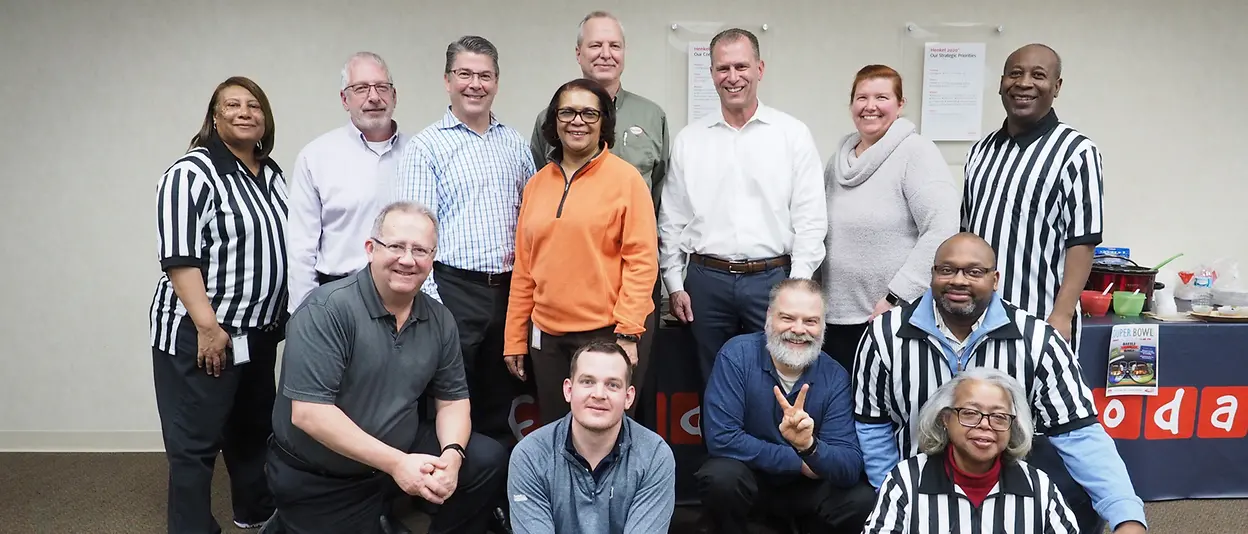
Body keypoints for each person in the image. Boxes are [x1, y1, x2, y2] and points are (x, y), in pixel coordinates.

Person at [853, 233, 1146, 534]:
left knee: (1077, 500)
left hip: (1008, 492)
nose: (959, 280)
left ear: (995, 279)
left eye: (974, 272)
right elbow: (872, 425)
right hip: (917, 485)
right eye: (947, 270)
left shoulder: (1037, 340)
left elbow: (1080, 433)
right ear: (933, 275)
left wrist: (1126, 515)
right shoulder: (885, 335)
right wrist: (892, 493)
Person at [263, 202, 508, 534]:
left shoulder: (439, 319)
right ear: (370, 249)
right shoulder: (326, 310)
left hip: (395, 461)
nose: (408, 260)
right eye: (396, 246)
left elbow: (452, 401)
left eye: (420, 250)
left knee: (486, 459)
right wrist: (397, 464)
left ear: (432, 259)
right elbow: (309, 413)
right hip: (323, 478)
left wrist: (452, 456)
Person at [149, 76, 287, 533]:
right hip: (203, 332)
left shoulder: (271, 173)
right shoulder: (191, 173)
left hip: (257, 333)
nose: (245, 112)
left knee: (252, 431)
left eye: (254, 105)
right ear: (213, 116)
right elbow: (180, 259)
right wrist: (208, 326)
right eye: (232, 105)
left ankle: (255, 512)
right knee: (195, 441)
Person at [658, 28, 826, 385]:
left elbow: (811, 218)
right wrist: (674, 283)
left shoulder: (791, 134)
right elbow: (671, 219)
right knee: (711, 383)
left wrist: (798, 284)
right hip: (706, 281)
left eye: (741, 66)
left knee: (778, 381)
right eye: (723, 68)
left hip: (772, 279)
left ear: (760, 69)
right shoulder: (691, 139)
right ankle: (718, 444)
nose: (732, 77)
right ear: (712, 74)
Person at [395, 36, 535, 440]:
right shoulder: (427, 147)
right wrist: (433, 305)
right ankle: (445, 492)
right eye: (465, 74)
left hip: (508, 291)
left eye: (485, 76)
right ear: (447, 81)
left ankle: (489, 493)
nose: (475, 84)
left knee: (500, 398)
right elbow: (414, 236)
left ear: (496, 82)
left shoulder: (514, 144)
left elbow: (529, 220)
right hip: (454, 289)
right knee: (449, 395)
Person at [529, 10, 670, 404]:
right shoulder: (549, 117)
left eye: (614, 45)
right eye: (595, 45)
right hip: (570, 286)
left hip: (631, 285)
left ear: (625, 53)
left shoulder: (652, 115)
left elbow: (661, 194)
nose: (605, 53)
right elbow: (547, 191)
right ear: (578, 53)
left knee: (622, 400)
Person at [503, 78, 659, 427]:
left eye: (589, 113)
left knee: (608, 433)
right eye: (568, 112)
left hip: (609, 335)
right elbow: (525, 269)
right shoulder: (537, 185)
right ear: (553, 122)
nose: (578, 121)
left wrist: (628, 334)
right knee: (558, 435)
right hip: (548, 340)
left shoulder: (627, 180)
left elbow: (642, 261)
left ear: (604, 121)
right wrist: (515, 337)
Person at [697, 279, 875, 534]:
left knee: (861, 500)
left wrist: (810, 447)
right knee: (720, 477)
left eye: (810, 321)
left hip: (807, 492)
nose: (798, 329)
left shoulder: (835, 376)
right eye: (788, 318)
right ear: (769, 317)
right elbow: (722, 439)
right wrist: (798, 460)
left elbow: (848, 464)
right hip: (752, 480)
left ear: (823, 325)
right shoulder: (736, 355)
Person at [961, 44, 1102, 349]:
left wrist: (1062, 315)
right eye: (1015, 74)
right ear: (1001, 83)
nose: (1024, 83)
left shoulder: (1076, 151)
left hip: (1041, 320)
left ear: (1056, 86)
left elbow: (1082, 242)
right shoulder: (979, 152)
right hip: (977, 320)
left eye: (1038, 75)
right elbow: (967, 236)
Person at [821, 64, 959, 374]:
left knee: (883, 413)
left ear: (900, 104)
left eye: (881, 97)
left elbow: (942, 230)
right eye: (861, 97)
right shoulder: (838, 161)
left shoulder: (917, 153)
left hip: (891, 315)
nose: (870, 106)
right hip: (835, 318)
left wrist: (896, 297)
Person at [864, 367, 1079, 534]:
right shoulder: (906, 481)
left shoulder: (1037, 486)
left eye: (999, 417)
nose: (985, 425)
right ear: (945, 418)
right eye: (970, 413)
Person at [507, 341, 676, 533]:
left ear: (628, 397)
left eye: (612, 385)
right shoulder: (530, 455)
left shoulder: (654, 455)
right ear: (568, 390)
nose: (598, 394)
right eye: (588, 382)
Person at [287, 52, 408, 312]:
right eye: (361, 88)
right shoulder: (316, 157)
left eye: (382, 87)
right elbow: (301, 248)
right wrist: (305, 313)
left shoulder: (419, 153)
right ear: (345, 99)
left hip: (406, 294)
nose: (374, 97)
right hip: (338, 296)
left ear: (394, 96)